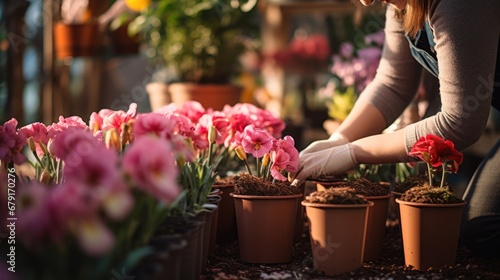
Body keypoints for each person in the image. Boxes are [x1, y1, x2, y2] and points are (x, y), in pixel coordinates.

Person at [291, 0, 500, 258]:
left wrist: (353, 152)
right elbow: (393, 84)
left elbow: (459, 122)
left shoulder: (459, 5)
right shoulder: (403, 4)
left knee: (484, 227)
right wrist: (339, 139)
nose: (367, 2)